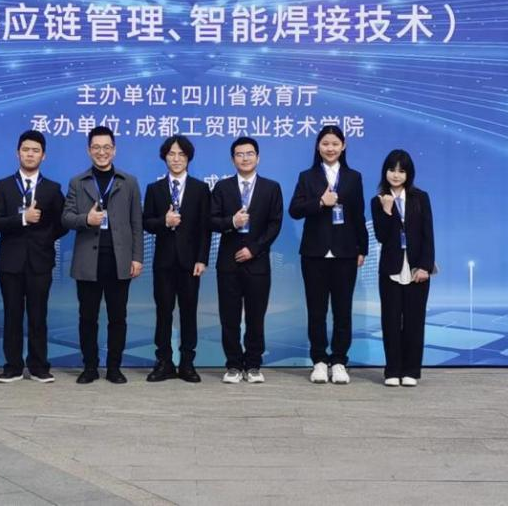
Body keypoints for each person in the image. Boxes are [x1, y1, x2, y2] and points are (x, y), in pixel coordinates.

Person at [61, 126, 143, 385]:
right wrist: (86, 219)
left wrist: (137, 257)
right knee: (88, 318)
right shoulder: (78, 182)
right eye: (96, 147)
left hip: (119, 261)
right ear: (89, 150)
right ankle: (90, 367)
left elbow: (137, 224)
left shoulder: (129, 182)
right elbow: (66, 217)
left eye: (106, 147)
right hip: (88, 262)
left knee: (118, 318)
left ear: (114, 150)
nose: (101, 152)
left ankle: (114, 368)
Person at [288, 125, 368, 385]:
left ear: (343, 146)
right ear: (318, 147)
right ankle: (320, 361)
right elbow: (295, 210)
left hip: (346, 253)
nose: (330, 148)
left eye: (335, 143)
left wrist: (363, 248)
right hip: (314, 253)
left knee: (343, 311)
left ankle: (340, 361)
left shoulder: (354, 177)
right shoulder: (307, 176)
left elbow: (358, 215)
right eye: (325, 144)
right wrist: (321, 202)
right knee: (317, 311)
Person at [0, 130, 69, 383]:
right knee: (12, 315)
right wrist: (23, 218)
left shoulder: (53, 189)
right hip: (10, 262)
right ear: (18, 153)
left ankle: (38, 366)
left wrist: (44, 238)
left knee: (38, 316)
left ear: (43, 156)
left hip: (40, 261)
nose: (30, 154)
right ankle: (12, 366)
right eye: (26, 150)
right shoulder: (3, 185)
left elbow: (63, 224)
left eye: (35, 150)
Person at [209, 137, 283, 384]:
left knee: (255, 317)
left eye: (250, 153)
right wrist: (232, 222)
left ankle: (253, 365)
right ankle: (232, 364)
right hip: (228, 264)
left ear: (258, 157)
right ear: (233, 160)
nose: (245, 158)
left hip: (257, 263)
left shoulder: (271, 188)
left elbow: (275, 224)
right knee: (229, 317)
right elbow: (211, 220)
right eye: (239, 154)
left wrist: (254, 249)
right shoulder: (222, 187)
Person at [141, 135, 211, 383]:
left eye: (181, 154)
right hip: (163, 263)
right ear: (165, 157)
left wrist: (202, 259)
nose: (176, 158)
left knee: (189, 313)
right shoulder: (155, 189)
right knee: (163, 313)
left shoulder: (200, 189)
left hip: (191, 263)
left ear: (188, 158)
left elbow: (205, 227)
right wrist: (164, 221)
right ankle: (164, 362)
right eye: (172, 154)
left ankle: (188, 363)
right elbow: (146, 222)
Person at [371, 149, 436, 387]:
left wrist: (425, 266)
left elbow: (428, 234)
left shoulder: (420, 198)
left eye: (401, 171)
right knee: (390, 321)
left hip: (417, 269)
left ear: (409, 174)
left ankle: (411, 370)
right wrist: (387, 211)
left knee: (414, 321)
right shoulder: (378, 201)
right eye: (392, 170)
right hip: (390, 269)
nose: (396, 175)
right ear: (385, 172)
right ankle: (392, 370)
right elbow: (381, 236)